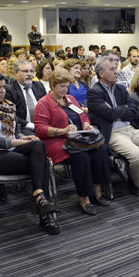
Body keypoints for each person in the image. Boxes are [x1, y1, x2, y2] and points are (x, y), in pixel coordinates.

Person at [0, 72, 58, 233]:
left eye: (3, 87)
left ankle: (38, 194)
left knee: (37, 145)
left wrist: (23, 137)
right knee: (40, 166)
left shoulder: (8, 106)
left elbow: (16, 132)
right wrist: (20, 141)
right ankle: (45, 216)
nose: (2, 91)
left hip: (12, 149)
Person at [34, 68, 112, 215]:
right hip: (58, 141)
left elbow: (84, 116)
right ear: (52, 84)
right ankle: (83, 199)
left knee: (100, 150)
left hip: (77, 139)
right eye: (61, 86)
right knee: (81, 156)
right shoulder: (44, 103)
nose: (65, 89)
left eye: (67, 86)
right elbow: (40, 130)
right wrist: (62, 131)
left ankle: (97, 192)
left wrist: (87, 124)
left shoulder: (70, 99)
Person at [87, 56, 139, 196]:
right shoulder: (94, 92)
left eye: (116, 69)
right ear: (101, 73)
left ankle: (126, 164)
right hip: (113, 133)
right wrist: (122, 109)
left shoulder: (120, 89)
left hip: (130, 128)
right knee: (136, 156)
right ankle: (136, 183)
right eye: (112, 69)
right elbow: (110, 114)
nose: (116, 72)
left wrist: (115, 110)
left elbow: (134, 112)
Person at [5, 60, 46, 135]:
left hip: (44, 125)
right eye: (25, 71)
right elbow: (11, 114)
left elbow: (48, 106)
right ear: (16, 73)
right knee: (38, 142)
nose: (29, 74)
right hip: (24, 127)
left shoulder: (39, 86)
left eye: (31, 71)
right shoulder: (10, 90)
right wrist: (31, 125)